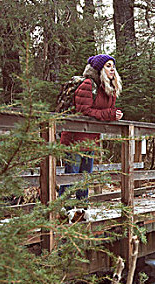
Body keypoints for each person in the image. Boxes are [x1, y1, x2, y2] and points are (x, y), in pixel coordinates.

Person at [58, 54, 123, 201]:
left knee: (85, 179)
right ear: (100, 69)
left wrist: (114, 114)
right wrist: (110, 114)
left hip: (91, 140)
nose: (112, 69)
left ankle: (82, 209)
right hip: (74, 138)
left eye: (113, 65)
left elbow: (104, 112)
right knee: (71, 177)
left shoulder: (108, 89)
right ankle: (64, 209)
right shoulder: (88, 85)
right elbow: (84, 111)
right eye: (108, 66)